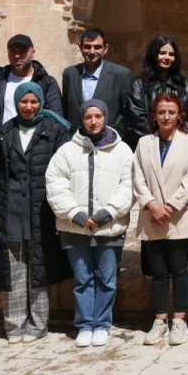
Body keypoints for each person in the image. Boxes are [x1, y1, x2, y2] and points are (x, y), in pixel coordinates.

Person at [0, 82, 72, 343]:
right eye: (24, 102)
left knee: (37, 267)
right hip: (10, 209)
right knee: (13, 267)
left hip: (40, 209)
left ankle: (38, 324)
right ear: (17, 102)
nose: (29, 107)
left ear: (41, 102)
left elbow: (64, 173)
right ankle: (14, 325)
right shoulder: (5, 132)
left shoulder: (55, 130)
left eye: (33, 102)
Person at [46, 100, 134, 348]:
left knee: (107, 277)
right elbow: (55, 183)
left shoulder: (122, 151)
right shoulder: (67, 151)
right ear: (81, 119)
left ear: (105, 117)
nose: (93, 121)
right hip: (76, 227)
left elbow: (128, 185)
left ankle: (103, 324)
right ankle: (85, 324)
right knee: (83, 278)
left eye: (98, 116)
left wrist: (110, 212)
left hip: (109, 227)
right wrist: (75, 213)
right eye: (88, 117)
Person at [132, 92, 188, 347]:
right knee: (158, 271)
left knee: (179, 268)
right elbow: (137, 177)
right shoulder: (143, 143)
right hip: (152, 215)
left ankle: (180, 320)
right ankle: (160, 320)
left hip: (178, 216)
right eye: (161, 112)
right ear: (154, 115)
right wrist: (151, 204)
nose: (166, 116)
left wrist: (169, 207)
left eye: (171, 112)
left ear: (180, 115)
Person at [0, 34, 64, 174]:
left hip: (37, 152)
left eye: (22, 51)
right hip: (2, 151)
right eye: (13, 51)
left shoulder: (46, 82)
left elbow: (55, 119)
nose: (17, 55)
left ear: (32, 52)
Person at [125, 36, 188, 150]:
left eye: (171, 54)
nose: (167, 57)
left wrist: (177, 140)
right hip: (149, 146)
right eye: (162, 53)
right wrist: (160, 141)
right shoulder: (138, 85)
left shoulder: (185, 85)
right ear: (153, 55)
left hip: (179, 147)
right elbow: (138, 120)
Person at [61, 28, 134, 139]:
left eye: (97, 47)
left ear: (106, 49)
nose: (92, 51)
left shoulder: (121, 74)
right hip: (76, 141)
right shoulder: (69, 74)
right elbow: (66, 111)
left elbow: (129, 114)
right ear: (80, 47)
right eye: (87, 46)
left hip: (108, 142)